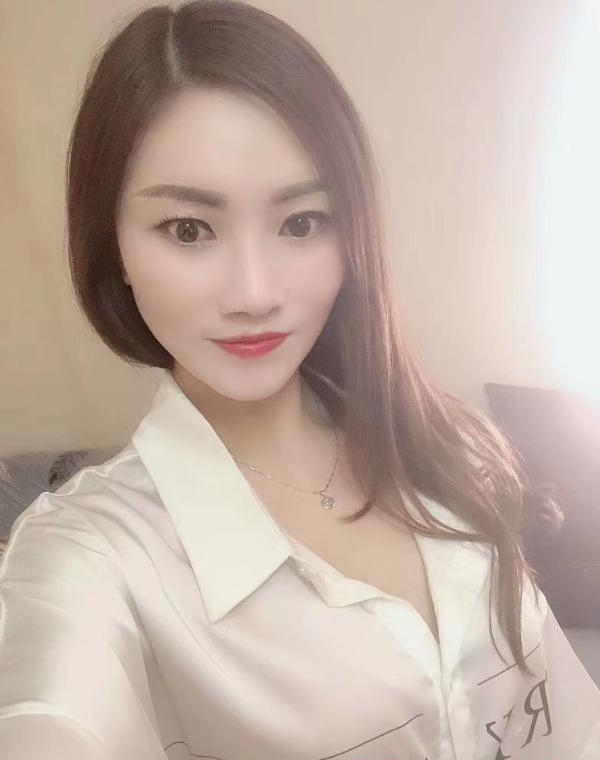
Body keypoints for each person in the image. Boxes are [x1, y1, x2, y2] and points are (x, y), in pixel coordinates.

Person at [0, 1, 598, 758]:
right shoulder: (90, 555)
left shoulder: (450, 443)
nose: (254, 292)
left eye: (301, 222)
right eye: (188, 230)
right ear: (113, 246)